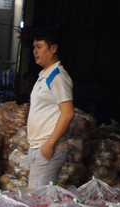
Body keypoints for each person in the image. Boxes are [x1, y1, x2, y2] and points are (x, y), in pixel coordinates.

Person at [27, 30, 75, 188]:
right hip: (37, 146)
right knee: (36, 196)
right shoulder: (44, 75)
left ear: (53, 48)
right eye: (34, 47)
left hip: (48, 147)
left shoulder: (58, 77)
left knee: (38, 199)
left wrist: (50, 143)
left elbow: (68, 113)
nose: (35, 51)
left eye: (39, 46)